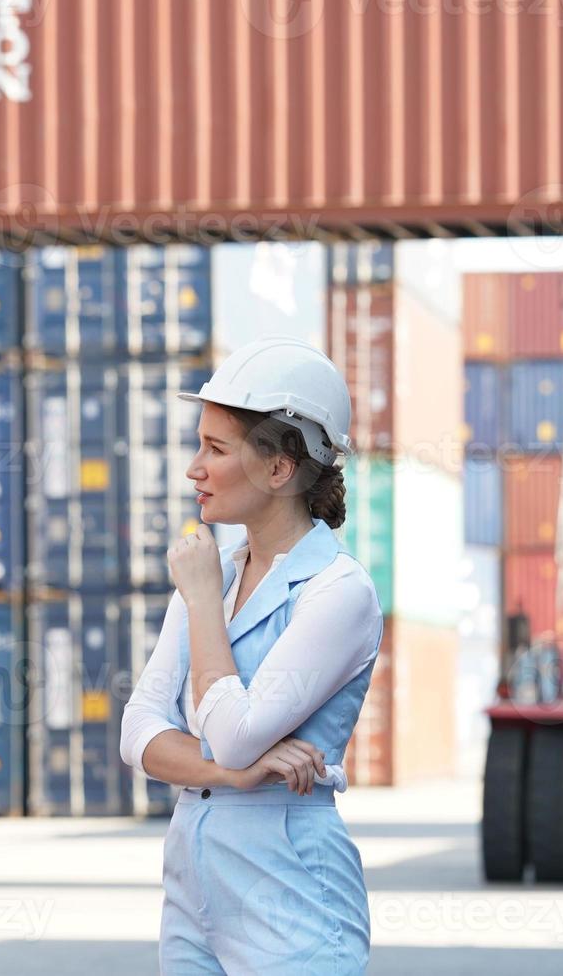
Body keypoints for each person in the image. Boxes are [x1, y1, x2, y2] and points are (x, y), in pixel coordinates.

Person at [119, 336, 384, 975]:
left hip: (289, 889)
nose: (194, 468)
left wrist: (206, 603)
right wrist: (234, 775)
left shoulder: (337, 592)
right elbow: (138, 732)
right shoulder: (214, 571)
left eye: (215, 449)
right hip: (193, 883)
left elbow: (234, 735)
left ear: (279, 468)